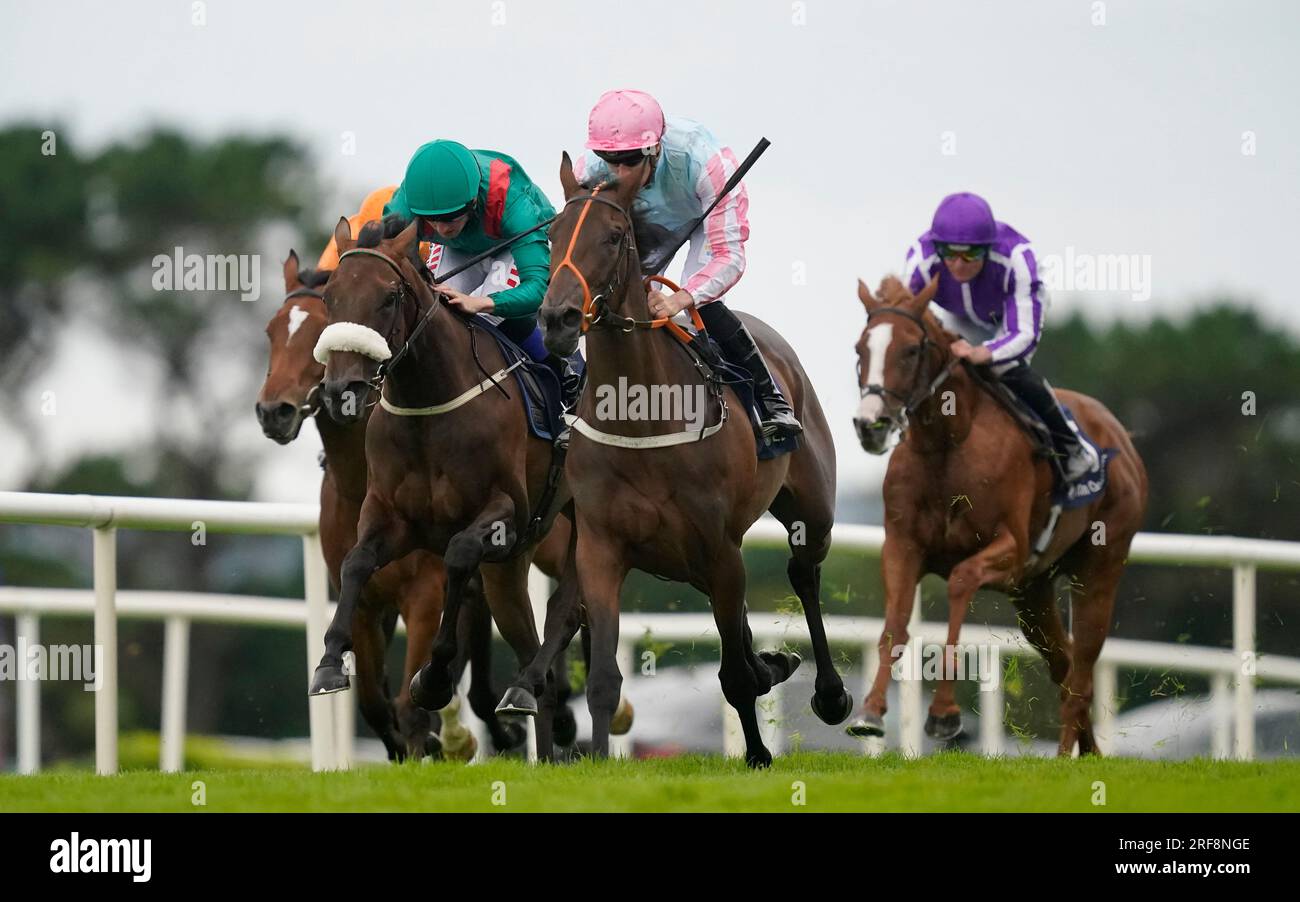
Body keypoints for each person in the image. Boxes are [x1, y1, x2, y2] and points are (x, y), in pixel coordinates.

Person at [574, 89, 801, 442]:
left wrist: (681, 299)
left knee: (700, 300)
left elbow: (729, 256)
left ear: (656, 149)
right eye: (609, 159)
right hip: (639, 221)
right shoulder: (587, 169)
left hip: (699, 214)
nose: (619, 173)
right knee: (611, 296)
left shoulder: (709, 163)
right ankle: (579, 399)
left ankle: (769, 398)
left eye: (631, 161)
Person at [902, 192, 1099, 480]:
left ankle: (1072, 446)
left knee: (1002, 367)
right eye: (949, 253)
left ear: (987, 249)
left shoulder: (1018, 260)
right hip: (960, 316)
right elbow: (907, 319)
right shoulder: (920, 259)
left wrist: (986, 352)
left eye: (971, 254)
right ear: (937, 247)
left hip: (1009, 316)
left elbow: (1024, 335)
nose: (958, 264)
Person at [382, 139, 578, 404]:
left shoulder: (512, 201)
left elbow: (537, 288)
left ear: (473, 201)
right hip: (460, 248)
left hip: (512, 244)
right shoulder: (403, 207)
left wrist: (482, 302)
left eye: (450, 217)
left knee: (485, 318)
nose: (441, 229)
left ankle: (565, 370)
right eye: (432, 220)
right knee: (437, 314)